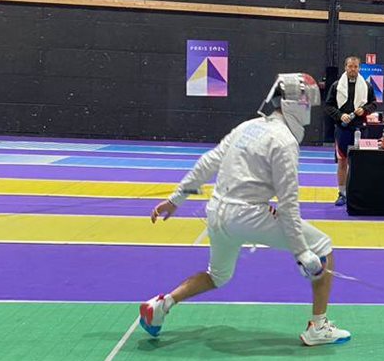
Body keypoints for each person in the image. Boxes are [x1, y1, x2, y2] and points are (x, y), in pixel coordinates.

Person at [139, 72, 351, 346]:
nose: (308, 108)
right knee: (323, 246)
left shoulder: (247, 127)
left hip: (216, 213)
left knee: (217, 276)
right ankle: (318, 327)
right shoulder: (284, 141)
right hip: (248, 216)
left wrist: (176, 199)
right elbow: (288, 204)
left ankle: (161, 305)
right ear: (293, 104)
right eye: (305, 102)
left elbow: (208, 162)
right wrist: (302, 252)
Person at [324, 56, 378, 207]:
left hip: (361, 128)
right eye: (350, 66)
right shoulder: (336, 85)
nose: (353, 69)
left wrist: (364, 110)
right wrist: (340, 115)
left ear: (359, 68)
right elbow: (328, 106)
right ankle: (342, 193)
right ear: (345, 67)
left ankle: (357, 193)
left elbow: (374, 104)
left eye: (355, 66)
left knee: (360, 162)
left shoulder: (367, 86)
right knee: (342, 161)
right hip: (343, 129)